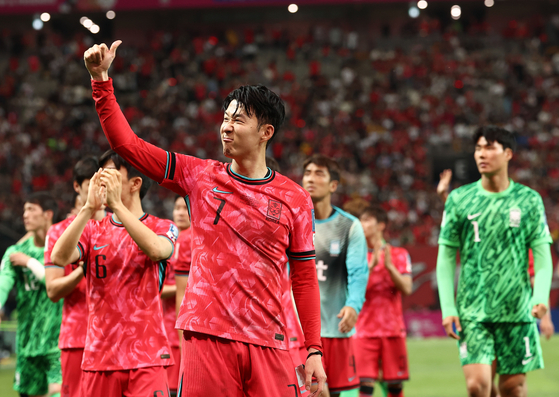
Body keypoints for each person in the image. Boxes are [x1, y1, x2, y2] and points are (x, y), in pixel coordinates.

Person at [83, 41, 326, 397]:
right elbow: (128, 146)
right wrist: (101, 81)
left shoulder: (294, 199)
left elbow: (303, 277)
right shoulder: (198, 176)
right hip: (206, 335)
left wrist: (314, 349)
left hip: (269, 339)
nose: (226, 127)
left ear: (266, 132)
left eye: (238, 120)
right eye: (225, 118)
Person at [437, 126, 553, 397]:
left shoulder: (529, 200)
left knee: (512, 388)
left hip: (516, 310)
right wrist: (447, 307)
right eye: (478, 148)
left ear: (508, 154)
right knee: (478, 386)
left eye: (490, 148)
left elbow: (543, 255)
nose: (482, 154)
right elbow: (444, 256)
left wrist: (541, 296)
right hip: (473, 310)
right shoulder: (459, 199)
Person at [51, 150, 178, 397]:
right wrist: (87, 209)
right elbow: (59, 257)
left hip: (146, 358)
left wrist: (117, 206)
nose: (101, 180)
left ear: (135, 183)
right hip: (100, 358)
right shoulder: (92, 230)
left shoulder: (162, 227)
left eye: (110, 173)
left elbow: (156, 250)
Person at [302, 154, 369, 396]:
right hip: (300, 331)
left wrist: (353, 305)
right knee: (315, 392)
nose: (311, 178)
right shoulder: (293, 223)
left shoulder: (348, 226)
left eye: (319, 173)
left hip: (335, 327)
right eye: (307, 173)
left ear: (333, 185)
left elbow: (359, 272)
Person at [44, 156, 105, 397]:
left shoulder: (124, 225)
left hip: (118, 338)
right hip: (77, 336)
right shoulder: (59, 232)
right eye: (90, 185)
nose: (97, 193)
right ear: (77, 187)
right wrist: (83, 269)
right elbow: (52, 291)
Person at [0, 192, 63, 397]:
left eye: (31, 209)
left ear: (47, 214)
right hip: (27, 340)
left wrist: (29, 262)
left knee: (57, 390)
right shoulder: (15, 251)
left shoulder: (61, 248)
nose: (25, 215)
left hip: (57, 337)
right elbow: (3, 283)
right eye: (24, 210)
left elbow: (53, 282)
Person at [354, 205, 412, 397]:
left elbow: (407, 288)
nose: (362, 224)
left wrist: (389, 267)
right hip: (364, 331)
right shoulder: (356, 256)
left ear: (381, 225)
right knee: (364, 384)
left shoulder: (399, 254)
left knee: (395, 385)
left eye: (367, 220)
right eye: (361, 220)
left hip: (392, 330)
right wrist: (370, 267)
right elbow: (354, 291)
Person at [165, 195, 192, 395]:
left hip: (182, 329)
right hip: (166, 329)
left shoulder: (193, 239)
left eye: (185, 208)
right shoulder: (165, 241)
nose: (181, 212)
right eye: (177, 208)